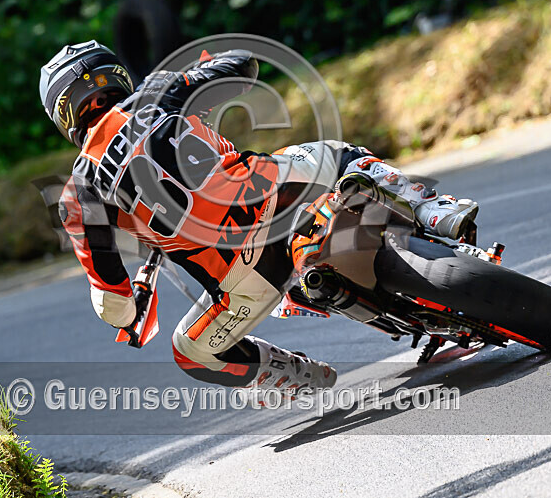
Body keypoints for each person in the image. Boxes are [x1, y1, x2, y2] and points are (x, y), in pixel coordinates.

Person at [39, 41, 479, 398]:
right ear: (116, 75)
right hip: (278, 199)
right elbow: (243, 66)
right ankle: (434, 211)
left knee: (191, 353)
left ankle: (296, 376)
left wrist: (130, 308)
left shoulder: (78, 193)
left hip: (243, 278)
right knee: (342, 156)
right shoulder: (160, 90)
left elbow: (112, 305)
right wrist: (204, 75)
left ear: (65, 116)